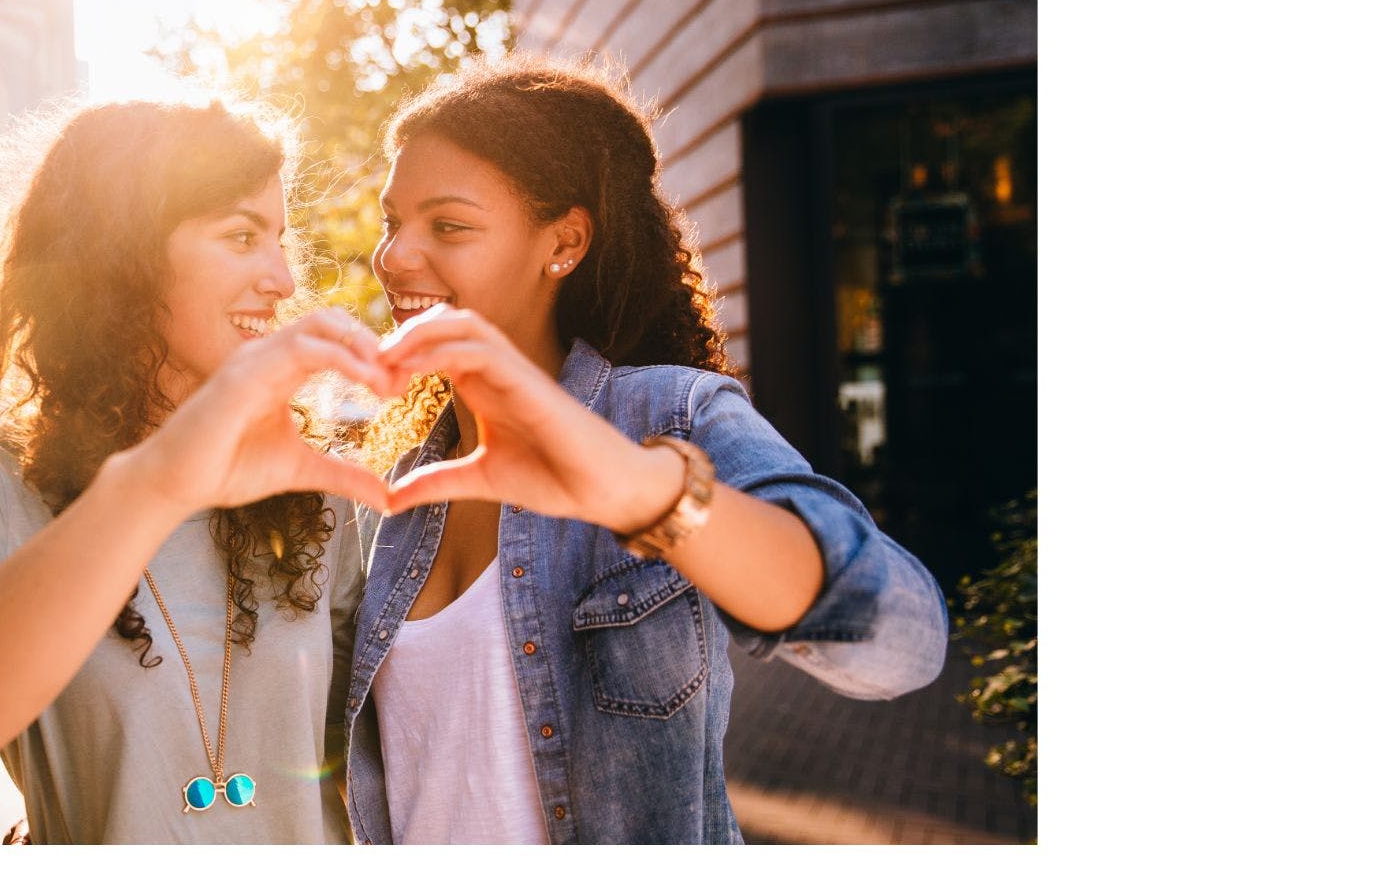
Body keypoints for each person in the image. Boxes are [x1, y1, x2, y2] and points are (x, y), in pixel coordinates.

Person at [343, 56, 951, 844]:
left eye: (447, 225)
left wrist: (648, 496)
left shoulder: (666, 414)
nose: (393, 258)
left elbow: (900, 642)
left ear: (562, 243)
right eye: (393, 222)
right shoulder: (396, 493)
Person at [0, 96, 400, 843]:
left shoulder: (315, 489)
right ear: (121, 254)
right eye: (241, 236)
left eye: (279, 240)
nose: (281, 279)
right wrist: (157, 481)